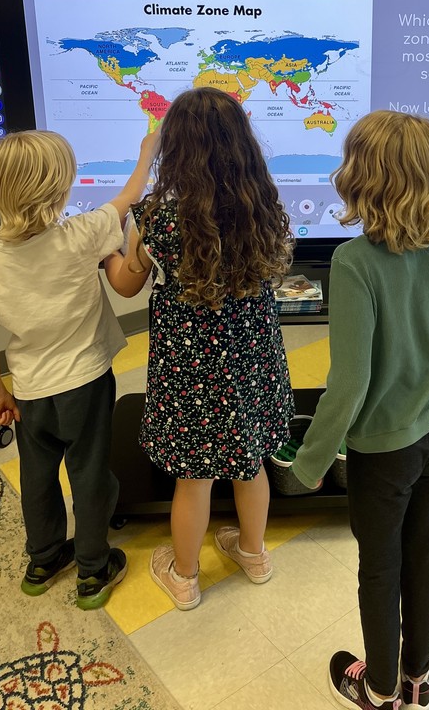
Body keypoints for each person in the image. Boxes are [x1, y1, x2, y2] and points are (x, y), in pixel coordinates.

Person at [292, 110, 429, 710]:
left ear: (360, 178)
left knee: (379, 571)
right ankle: (416, 676)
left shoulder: (354, 262)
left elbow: (348, 385)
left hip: (384, 452)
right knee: (422, 557)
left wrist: (309, 464)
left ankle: (378, 690)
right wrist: (428, 357)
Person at [103, 87, 295, 611]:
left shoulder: (159, 220)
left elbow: (123, 284)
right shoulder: (263, 206)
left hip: (190, 372)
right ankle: (253, 553)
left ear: (176, 149)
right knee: (250, 462)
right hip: (251, 364)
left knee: (194, 477)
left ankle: (185, 576)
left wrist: (105, 251)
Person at [0, 128, 158, 610]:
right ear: (61, 189)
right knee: (91, 473)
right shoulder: (81, 234)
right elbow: (132, 196)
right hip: (86, 384)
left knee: (37, 476)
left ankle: (44, 558)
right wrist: (147, 152)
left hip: (31, 390)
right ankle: (94, 569)